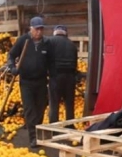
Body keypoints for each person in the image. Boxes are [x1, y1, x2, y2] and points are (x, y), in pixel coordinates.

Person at [7, 16, 51, 148]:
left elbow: (51, 61)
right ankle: (33, 137)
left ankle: (37, 132)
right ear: (31, 29)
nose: (39, 32)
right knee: (30, 109)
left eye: (41, 29)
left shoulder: (46, 43)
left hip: (41, 81)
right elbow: (11, 55)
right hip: (26, 82)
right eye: (37, 29)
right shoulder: (23, 40)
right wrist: (12, 68)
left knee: (40, 108)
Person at [47, 25, 78, 124]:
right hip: (70, 77)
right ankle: (70, 125)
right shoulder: (72, 45)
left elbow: (45, 58)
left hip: (56, 76)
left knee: (54, 103)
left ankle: (53, 127)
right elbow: (75, 63)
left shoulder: (50, 42)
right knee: (69, 103)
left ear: (55, 32)